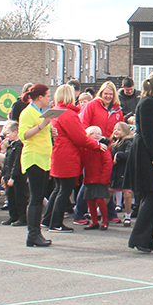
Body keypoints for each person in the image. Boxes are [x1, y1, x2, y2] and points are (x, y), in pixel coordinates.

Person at [126, 73, 153, 253]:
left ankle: (148, 237)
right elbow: (146, 133)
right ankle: (139, 238)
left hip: (152, 149)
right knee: (152, 195)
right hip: (147, 152)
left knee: (152, 196)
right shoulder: (147, 103)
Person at [45, 86, 96, 234]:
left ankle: (48, 219)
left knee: (58, 189)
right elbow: (80, 138)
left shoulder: (54, 111)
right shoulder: (68, 114)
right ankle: (56, 223)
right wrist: (96, 144)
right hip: (67, 155)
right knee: (64, 190)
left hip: (57, 153)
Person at [16, 85, 55, 247]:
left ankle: (36, 232)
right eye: (47, 96)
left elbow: (42, 131)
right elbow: (23, 135)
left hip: (44, 158)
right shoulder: (27, 112)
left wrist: (50, 131)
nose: (48, 98)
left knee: (38, 198)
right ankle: (33, 234)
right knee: (36, 198)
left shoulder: (39, 112)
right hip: (34, 158)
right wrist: (42, 125)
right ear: (39, 97)